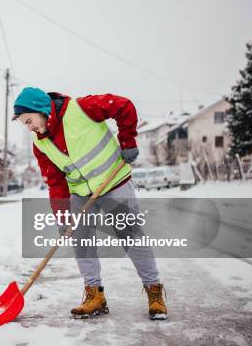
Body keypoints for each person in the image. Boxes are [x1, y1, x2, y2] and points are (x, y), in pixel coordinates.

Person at [13, 86, 168, 320]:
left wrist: (128, 140)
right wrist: (63, 217)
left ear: (40, 109)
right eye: (25, 124)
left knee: (131, 237)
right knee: (81, 240)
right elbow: (55, 182)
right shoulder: (40, 143)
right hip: (81, 193)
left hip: (114, 183)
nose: (30, 127)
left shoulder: (80, 108)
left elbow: (123, 106)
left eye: (29, 120)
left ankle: (154, 291)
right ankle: (94, 294)